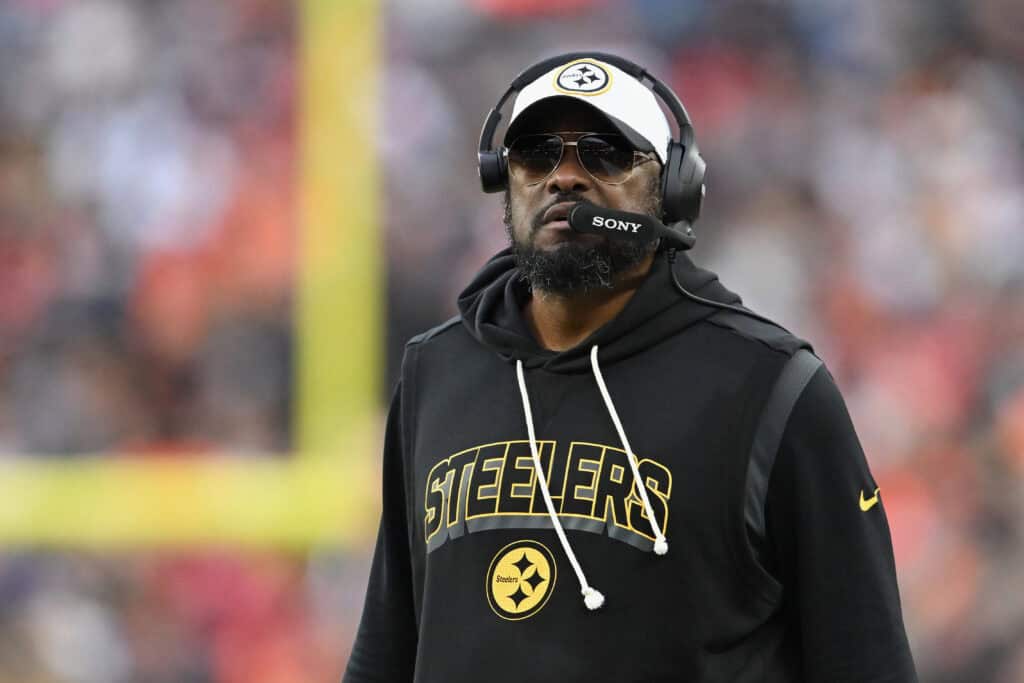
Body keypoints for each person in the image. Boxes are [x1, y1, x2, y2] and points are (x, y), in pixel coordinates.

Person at [343, 52, 917, 682]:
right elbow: (387, 648)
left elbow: (866, 660)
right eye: (536, 154)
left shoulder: (770, 387)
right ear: (502, 179)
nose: (564, 178)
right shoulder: (437, 371)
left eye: (605, 154)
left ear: (671, 188)